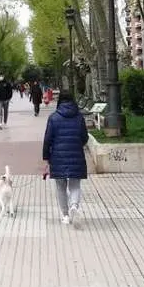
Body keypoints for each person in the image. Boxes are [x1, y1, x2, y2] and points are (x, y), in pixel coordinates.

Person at [41, 90, 88, 226]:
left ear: (60, 100)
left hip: (57, 157)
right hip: (76, 154)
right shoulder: (79, 117)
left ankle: (66, 215)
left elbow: (47, 139)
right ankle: (74, 206)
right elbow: (84, 137)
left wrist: (46, 158)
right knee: (75, 184)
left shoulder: (54, 117)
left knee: (60, 186)